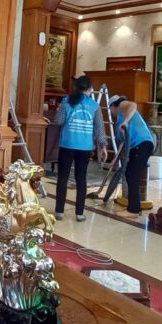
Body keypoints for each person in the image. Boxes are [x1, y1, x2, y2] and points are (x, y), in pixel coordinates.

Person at [52, 75, 107, 222]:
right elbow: (99, 129)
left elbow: (58, 121)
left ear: (76, 88)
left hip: (67, 145)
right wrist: (102, 147)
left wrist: (58, 110)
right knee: (81, 178)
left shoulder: (66, 101)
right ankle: (79, 213)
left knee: (63, 177)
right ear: (89, 89)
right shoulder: (94, 106)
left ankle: (59, 212)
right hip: (85, 147)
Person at [110, 95, 156, 217]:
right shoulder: (118, 122)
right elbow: (123, 144)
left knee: (132, 175)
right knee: (130, 174)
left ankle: (133, 210)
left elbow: (133, 105)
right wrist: (115, 160)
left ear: (113, 106)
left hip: (142, 144)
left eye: (111, 109)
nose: (111, 112)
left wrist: (125, 121)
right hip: (139, 146)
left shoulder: (122, 106)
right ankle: (135, 207)